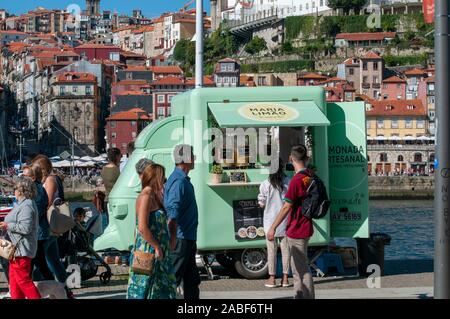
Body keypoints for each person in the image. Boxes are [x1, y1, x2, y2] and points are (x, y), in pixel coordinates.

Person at [267, 145, 315, 299]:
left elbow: (287, 206)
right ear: (306, 159)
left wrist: (273, 227)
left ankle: (304, 296)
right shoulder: (309, 176)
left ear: (291, 159)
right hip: (306, 226)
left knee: (300, 270)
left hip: (297, 228)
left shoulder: (296, 180)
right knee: (300, 268)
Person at [127, 164, 177, 299]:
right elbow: (142, 227)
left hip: (159, 251)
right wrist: (156, 246)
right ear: (155, 178)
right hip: (149, 251)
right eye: (162, 177)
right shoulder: (146, 196)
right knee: (144, 289)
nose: (164, 180)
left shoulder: (154, 195)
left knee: (162, 289)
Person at [31, 155, 74, 299]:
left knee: (39, 261)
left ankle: (37, 290)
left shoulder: (50, 179)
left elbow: (47, 202)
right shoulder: (52, 179)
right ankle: (64, 290)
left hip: (48, 226)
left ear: (41, 168)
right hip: (49, 228)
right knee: (53, 261)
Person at [165, 144, 200, 300]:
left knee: (192, 280)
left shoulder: (182, 180)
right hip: (180, 239)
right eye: (193, 156)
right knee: (173, 279)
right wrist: (172, 238)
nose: (195, 159)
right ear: (186, 159)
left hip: (187, 238)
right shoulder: (179, 182)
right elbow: (172, 213)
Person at [0, 176, 41, 299]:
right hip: (16, 251)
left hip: (21, 250)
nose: (14, 191)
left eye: (15, 188)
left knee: (23, 282)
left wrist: (8, 225)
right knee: (14, 283)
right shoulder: (23, 204)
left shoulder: (27, 205)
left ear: (22, 190)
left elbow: (25, 228)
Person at [258, 158, 291, 288]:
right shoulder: (288, 182)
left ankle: (272, 279)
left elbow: (262, 203)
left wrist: (261, 203)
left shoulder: (265, 184)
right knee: (286, 251)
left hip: (270, 223)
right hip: (285, 221)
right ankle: (286, 278)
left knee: (271, 251)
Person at [101, 148, 121, 231]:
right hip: (116, 201)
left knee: (110, 225)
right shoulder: (116, 170)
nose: (121, 157)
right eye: (120, 155)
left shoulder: (104, 169)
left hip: (106, 200)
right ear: (116, 156)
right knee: (117, 226)